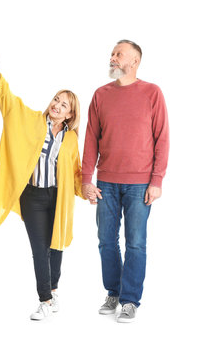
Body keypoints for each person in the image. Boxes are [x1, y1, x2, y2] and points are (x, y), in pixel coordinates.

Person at [0, 53, 85, 321]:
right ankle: (45, 299)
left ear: (70, 114)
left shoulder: (72, 139)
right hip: (33, 197)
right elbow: (9, 103)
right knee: (39, 249)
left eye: (64, 104)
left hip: (58, 197)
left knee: (57, 247)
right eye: (56, 99)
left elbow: (76, 172)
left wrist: (86, 188)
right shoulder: (30, 120)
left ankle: (52, 290)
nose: (57, 105)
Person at [81, 40, 169, 323]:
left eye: (119, 54)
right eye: (113, 53)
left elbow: (162, 139)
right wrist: (86, 179)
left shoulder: (152, 93)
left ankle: (130, 300)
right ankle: (113, 292)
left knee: (136, 243)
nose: (113, 57)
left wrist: (156, 180)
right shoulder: (100, 95)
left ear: (134, 61)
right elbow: (91, 140)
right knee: (106, 241)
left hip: (140, 184)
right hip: (105, 182)